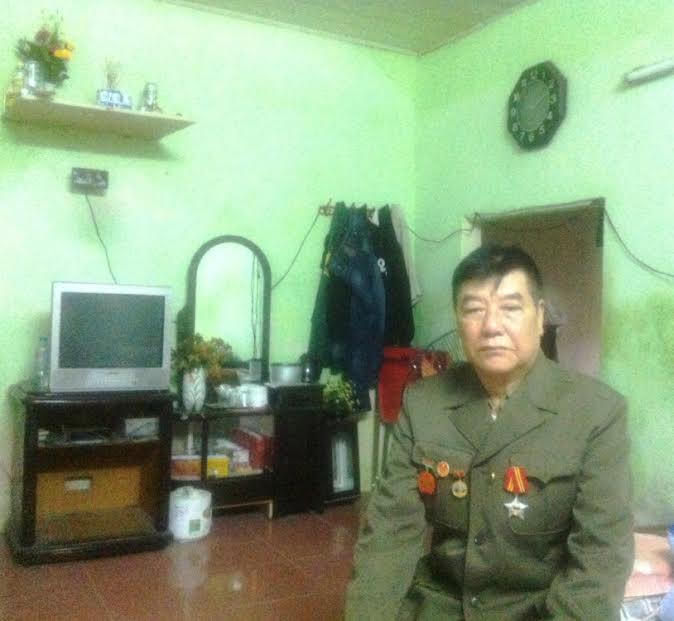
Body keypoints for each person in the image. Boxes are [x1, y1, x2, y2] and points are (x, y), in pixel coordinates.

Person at [345, 244, 633, 620]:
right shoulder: (425, 403)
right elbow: (389, 532)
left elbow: (600, 557)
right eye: (474, 309)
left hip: (537, 609)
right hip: (440, 605)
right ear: (458, 321)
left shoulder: (596, 412)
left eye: (510, 308)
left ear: (540, 317)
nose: (492, 326)